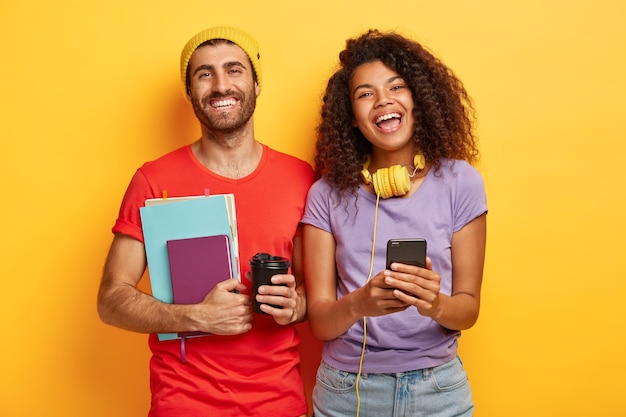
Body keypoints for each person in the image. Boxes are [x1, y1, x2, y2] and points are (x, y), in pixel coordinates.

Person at [97, 26, 315, 417]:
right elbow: (111, 300)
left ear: (256, 83)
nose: (220, 85)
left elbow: (321, 291)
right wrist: (194, 315)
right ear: (190, 93)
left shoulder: (301, 178)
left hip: (279, 402)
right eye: (204, 74)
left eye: (234, 70)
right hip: (183, 403)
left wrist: (296, 306)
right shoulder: (154, 180)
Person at [301, 29, 487, 417]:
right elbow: (319, 322)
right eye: (365, 93)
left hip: (437, 389)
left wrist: (435, 304)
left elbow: (468, 310)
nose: (382, 100)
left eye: (396, 86)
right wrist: (358, 304)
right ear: (351, 118)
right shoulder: (325, 195)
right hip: (347, 391)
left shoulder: (460, 181)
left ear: (417, 99)